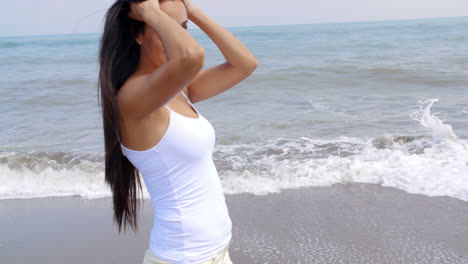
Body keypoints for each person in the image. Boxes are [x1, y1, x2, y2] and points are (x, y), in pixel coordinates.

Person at [97, 0, 258, 263]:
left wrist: (192, 12)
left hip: (216, 252)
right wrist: (150, 10)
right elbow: (191, 56)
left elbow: (244, 64)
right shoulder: (133, 99)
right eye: (169, 28)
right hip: (182, 258)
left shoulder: (179, 91)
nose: (179, 36)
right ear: (137, 34)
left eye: (184, 28)